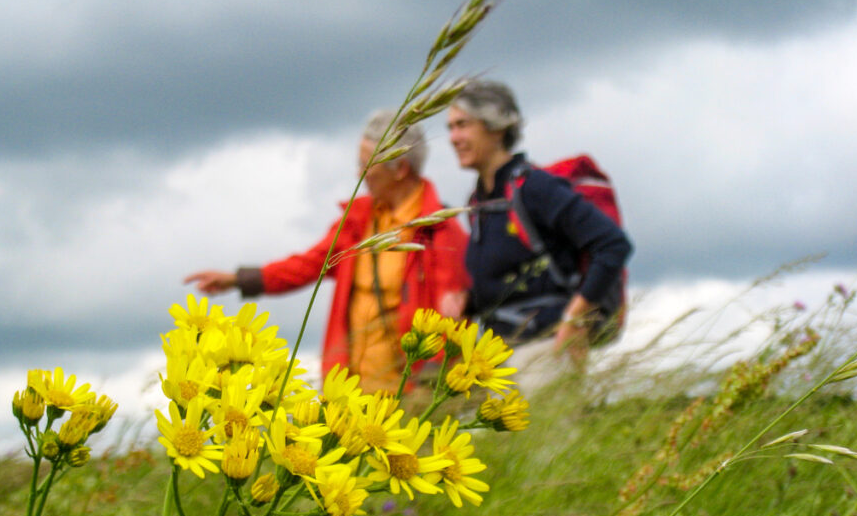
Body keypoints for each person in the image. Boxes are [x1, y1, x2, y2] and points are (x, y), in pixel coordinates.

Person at [184, 111, 469, 393]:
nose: (359, 173)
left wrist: (430, 387)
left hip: (410, 394)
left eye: (365, 163)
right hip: (348, 391)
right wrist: (237, 279)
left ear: (401, 169)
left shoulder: (442, 233)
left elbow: (450, 320)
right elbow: (307, 266)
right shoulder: (356, 221)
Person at [447, 80, 632, 367]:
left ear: (496, 126)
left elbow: (612, 244)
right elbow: (516, 280)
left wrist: (573, 319)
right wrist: (468, 301)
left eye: (463, 125)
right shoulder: (481, 202)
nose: (453, 137)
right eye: (451, 128)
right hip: (499, 355)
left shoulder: (533, 187)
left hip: (547, 350)